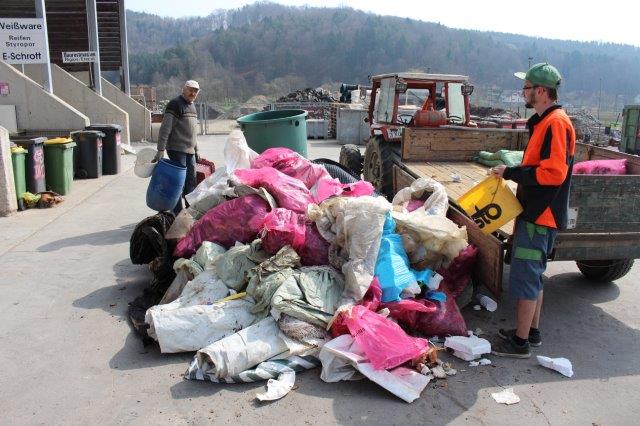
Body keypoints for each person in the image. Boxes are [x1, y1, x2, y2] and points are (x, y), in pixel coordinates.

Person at [490, 63, 576, 358]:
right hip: (540, 214)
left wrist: (513, 173)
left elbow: (553, 173)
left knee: (526, 277)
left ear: (541, 91)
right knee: (535, 275)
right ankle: (532, 332)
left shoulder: (555, 123)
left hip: (541, 216)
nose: (523, 93)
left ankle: (519, 343)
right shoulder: (546, 121)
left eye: (526, 88)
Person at [154, 80, 200, 215]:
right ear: (183, 89)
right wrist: (161, 149)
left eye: (195, 91)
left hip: (189, 151)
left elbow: (193, 131)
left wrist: (196, 150)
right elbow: (165, 128)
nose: (193, 93)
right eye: (190, 89)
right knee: (178, 184)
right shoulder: (175, 104)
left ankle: (190, 211)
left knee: (191, 182)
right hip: (177, 149)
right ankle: (178, 213)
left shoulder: (192, 106)